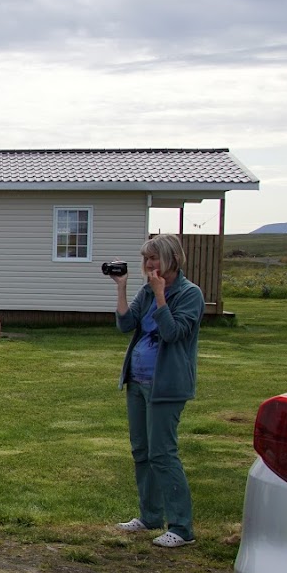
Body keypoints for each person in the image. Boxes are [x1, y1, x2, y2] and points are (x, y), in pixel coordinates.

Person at [111, 233, 203, 548]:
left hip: (167, 385)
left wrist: (162, 296)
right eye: (146, 259)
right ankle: (149, 516)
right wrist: (122, 289)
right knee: (142, 450)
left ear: (172, 259)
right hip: (137, 381)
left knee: (163, 453)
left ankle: (181, 527)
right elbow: (125, 325)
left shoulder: (190, 294)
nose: (150, 265)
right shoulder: (145, 292)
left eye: (155, 258)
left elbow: (173, 332)